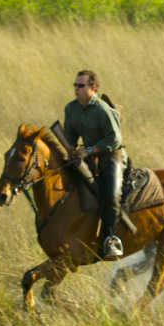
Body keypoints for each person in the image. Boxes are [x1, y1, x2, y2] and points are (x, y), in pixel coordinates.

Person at [64, 70, 125, 260]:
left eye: (80, 86)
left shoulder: (102, 110)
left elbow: (115, 139)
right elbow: (71, 134)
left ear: (93, 88)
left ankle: (111, 240)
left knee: (111, 196)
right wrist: (71, 148)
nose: (76, 88)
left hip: (111, 156)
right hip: (87, 156)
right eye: (75, 85)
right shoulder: (71, 108)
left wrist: (88, 150)